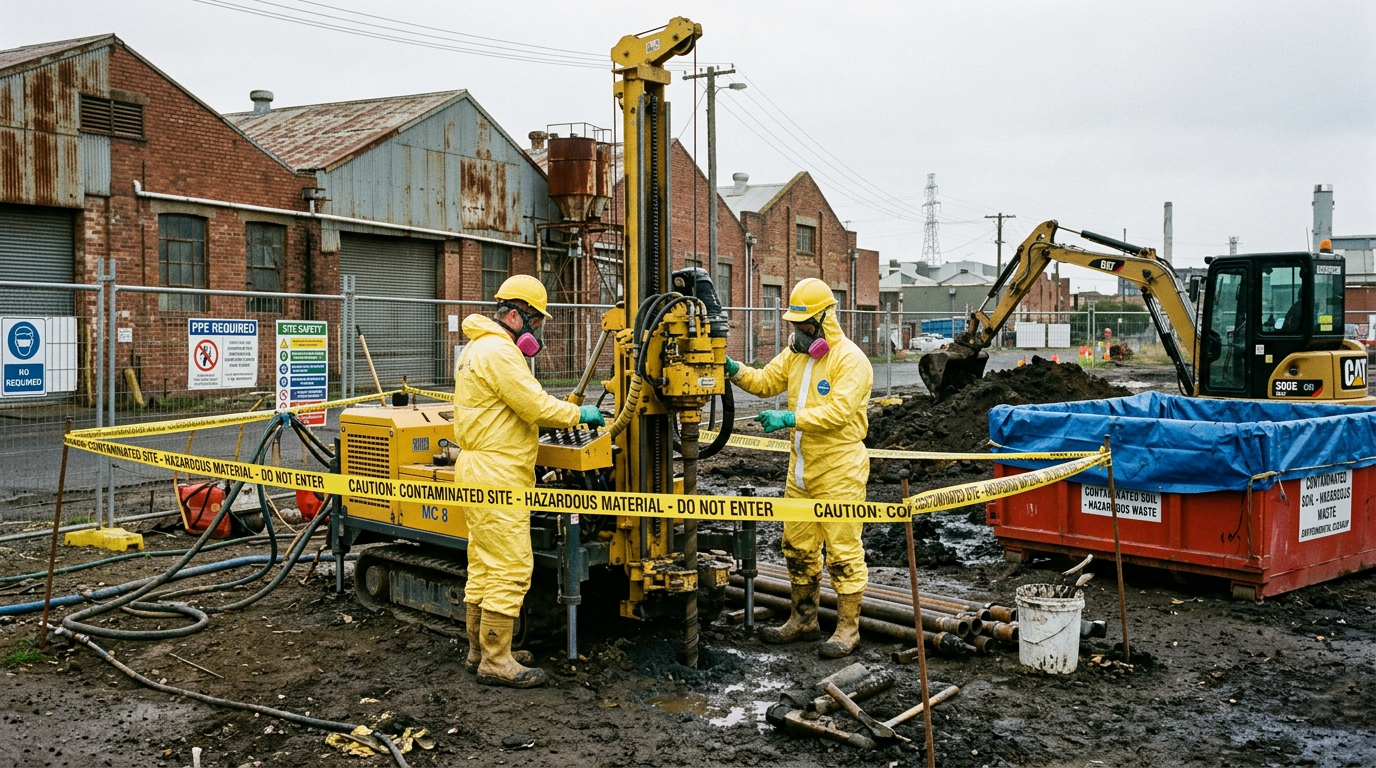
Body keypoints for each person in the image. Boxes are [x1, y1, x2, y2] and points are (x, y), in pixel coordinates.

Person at [453, 274, 605, 688]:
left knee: (484, 564)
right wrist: (579, 414)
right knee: (511, 565)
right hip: (496, 473)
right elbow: (533, 404)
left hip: (478, 467)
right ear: (516, 316)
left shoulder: (475, 348)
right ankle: (496, 659)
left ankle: (479, 649)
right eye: (535, 321)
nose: (537, 331)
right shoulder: (500, 352)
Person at [724, 278, 874, 658]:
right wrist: (732, 368)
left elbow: (838, 413)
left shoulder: (850, 360)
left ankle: (847, 628)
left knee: (843, 552)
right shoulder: (796, 355)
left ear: (826, 319)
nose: (799, 331)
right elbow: (763, 381)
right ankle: (804, 618)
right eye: (795, 324)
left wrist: (791, 418)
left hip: (839, 468)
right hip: (802, 469)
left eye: (805, 324)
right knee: (798, 547)